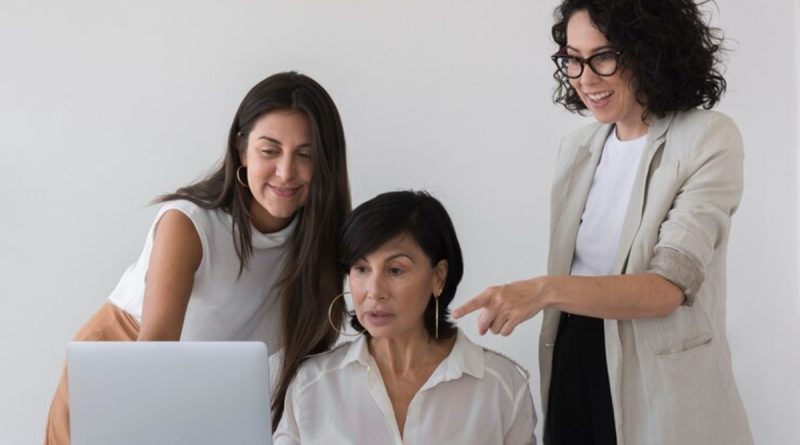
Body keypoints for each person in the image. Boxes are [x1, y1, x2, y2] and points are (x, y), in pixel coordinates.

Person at [453, 1, 753, 444]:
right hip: (575, 357)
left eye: (604, 56)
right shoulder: (578, 147)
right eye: (573, 59)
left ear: (651, 52)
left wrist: (542, 290)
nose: (585, 78)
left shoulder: (708, 137)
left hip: (658, 377)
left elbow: (667, 288)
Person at [44, 71, 351, 444]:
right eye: (269, 151)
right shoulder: (189, 224)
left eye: (305, 155)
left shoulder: (325, 240)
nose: (285, 172)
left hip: (203, 387)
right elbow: (155, 349)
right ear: (241, 149)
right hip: (125, 362)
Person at [273, 191, 536, 445]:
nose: (374, 291)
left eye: (396, 270)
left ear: (438, 277)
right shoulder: (313, 384)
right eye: (361, 269)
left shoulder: (500, 386)